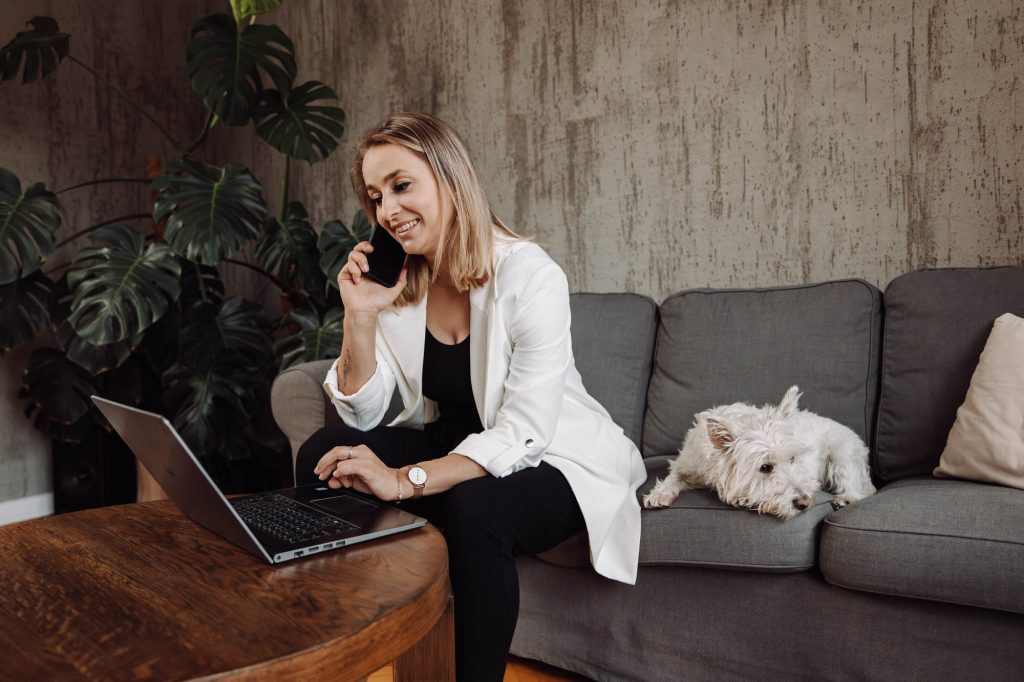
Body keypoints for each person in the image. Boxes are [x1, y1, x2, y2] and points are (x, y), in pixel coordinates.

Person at [295, 112, 646, 681]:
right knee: (327, 454)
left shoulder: (530, 276)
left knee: (475, 508)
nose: (388, 212)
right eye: (377, 197)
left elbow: (523, 432)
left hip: (554, 455)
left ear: (450, 178)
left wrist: (402, 480)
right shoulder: (402, 282)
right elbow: (361, 409)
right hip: (455, 439)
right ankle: (339, 655)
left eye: (402, 186)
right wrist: (359, 315)